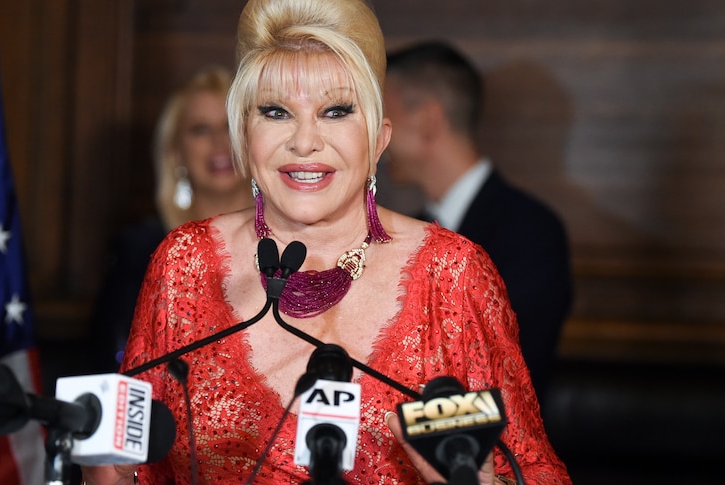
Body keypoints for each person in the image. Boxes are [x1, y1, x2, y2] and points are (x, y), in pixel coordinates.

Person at [82, 0, 570, 483]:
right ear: (243, 137)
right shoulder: (184, 264)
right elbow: (125, 469)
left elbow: (533, 472)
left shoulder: (453, 275)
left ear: (379, 140)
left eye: (336, 111)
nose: (304, 141)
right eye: (275, 112)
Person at [383, 40, 573, 404]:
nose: (377, 138)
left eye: (385, 118)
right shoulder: (408, 233)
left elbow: (509, 379)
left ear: (427, 120)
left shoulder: (531, 232)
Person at [88, 65, 253, 372]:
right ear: (175, 152)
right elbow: (116, 360)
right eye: (200, 130)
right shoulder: (139, 250)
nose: (220, 143)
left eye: (230, 126)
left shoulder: (290, 243)